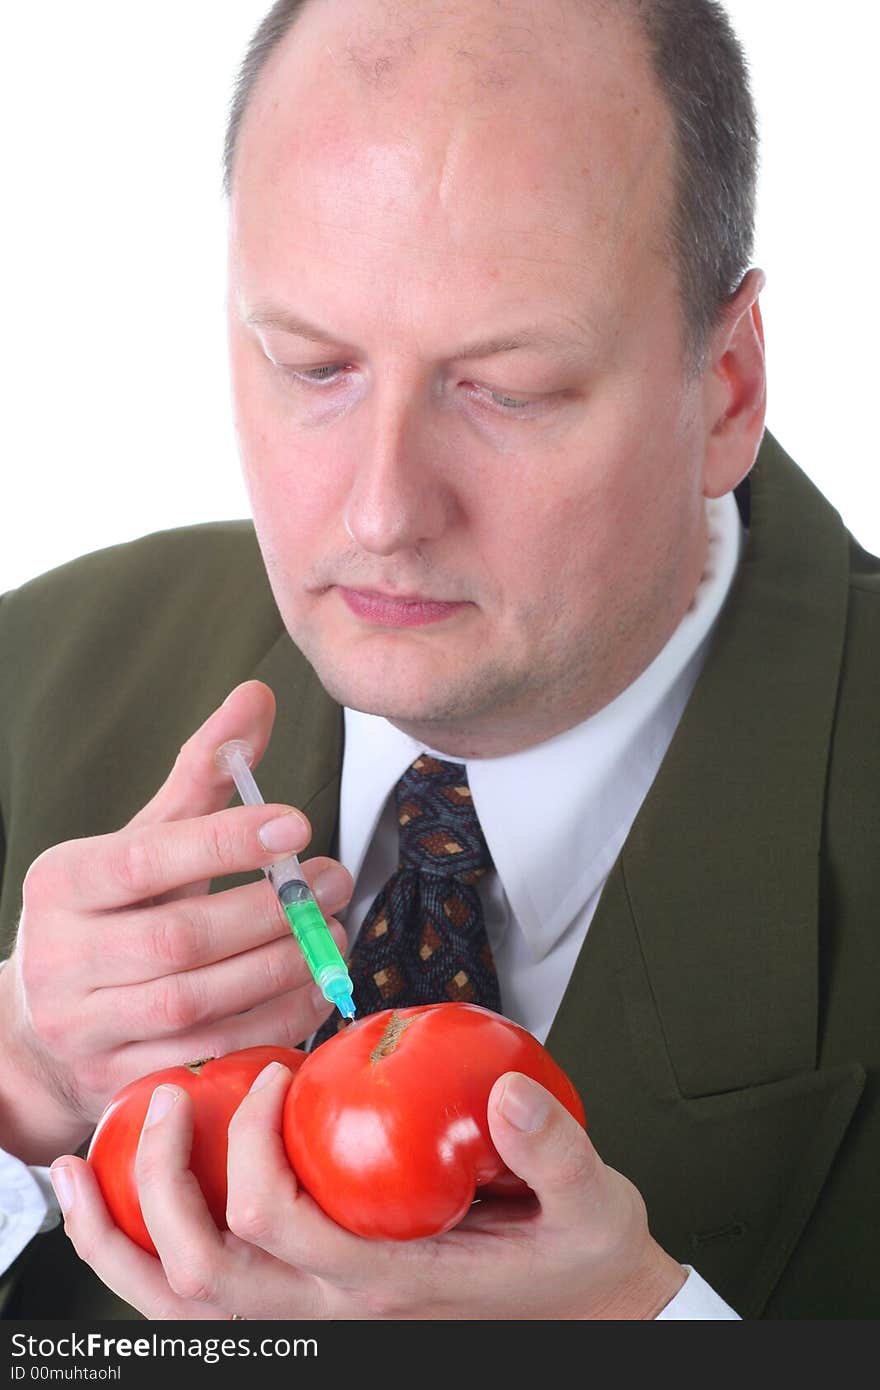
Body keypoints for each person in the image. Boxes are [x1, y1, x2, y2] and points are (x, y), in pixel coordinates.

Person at [0, 0, 877, 1321]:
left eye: (505, 386)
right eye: (312, 365)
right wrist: (15, 1097)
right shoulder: (33, 669)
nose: (379, 512)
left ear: (730, 387)